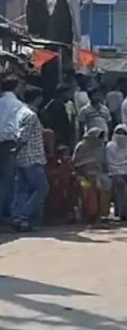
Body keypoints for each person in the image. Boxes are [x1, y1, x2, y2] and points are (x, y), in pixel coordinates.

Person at [10, 96, 48, 231]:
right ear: (37, 99)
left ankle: (17, 217)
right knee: (41, 188)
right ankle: (22, 216)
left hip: (23, 158)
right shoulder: (30, 115)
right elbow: (23, 137)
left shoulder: (19, 113)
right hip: (32, 157)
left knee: (22, 190)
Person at [72, 127, 111, 223]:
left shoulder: (101, 147)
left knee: (106, 183)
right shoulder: (81, 146)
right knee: (88, 187)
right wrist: (88, 161)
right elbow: (74, 164)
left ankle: (102, 214)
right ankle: (90, 213)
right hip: (83, 173)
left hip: (99, 172)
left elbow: (104, 164)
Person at [0, 77, 23, 221]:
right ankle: (4, 213)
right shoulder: (18, 105)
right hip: (8, 143)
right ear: (16, 87)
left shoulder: (1, 102)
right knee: (7, 180)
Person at [40, 84, 75, 150]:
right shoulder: (57, 106)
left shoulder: (53, 104)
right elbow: (60, 124)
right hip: (59, 140)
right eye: (68, 93)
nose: (70, 95)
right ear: (63, 93)